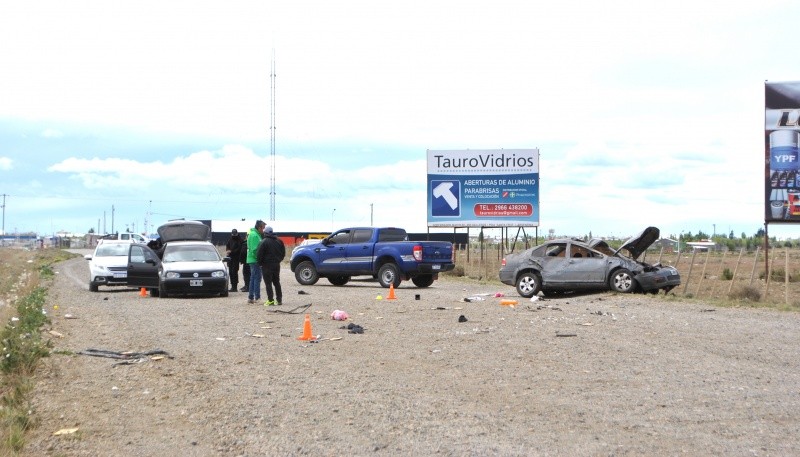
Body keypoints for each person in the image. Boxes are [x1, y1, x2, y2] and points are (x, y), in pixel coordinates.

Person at [256, 225, 286, 306]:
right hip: (276, 264)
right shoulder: (279, 241)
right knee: (276, 282)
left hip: (267, 265)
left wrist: (260, 263)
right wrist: (279, 260)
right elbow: (283, 253)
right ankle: (279, 300)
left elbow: (259, 254)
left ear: (265, 233)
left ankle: (270, 300)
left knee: (268, 283)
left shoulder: (264, 242)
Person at [245, 220, 266, 304]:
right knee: (257, 278)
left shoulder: (254, 234)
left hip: (253, 259)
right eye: (263, 228)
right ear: (259, 227)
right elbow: (255, 250)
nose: (263, 230)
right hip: (255, 260)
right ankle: (257, 297)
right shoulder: (254, 235)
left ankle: (251, 297)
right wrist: (259, 259)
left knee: (253, 278)